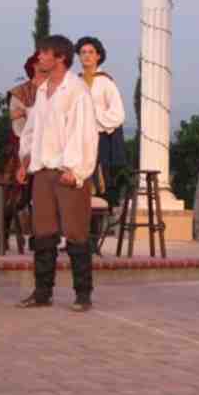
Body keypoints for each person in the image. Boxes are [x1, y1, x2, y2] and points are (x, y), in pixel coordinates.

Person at [16, 35, 99, 312]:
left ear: (60, 57)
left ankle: (83, 295)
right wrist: (25, 160)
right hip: (42, 171)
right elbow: (32, 130)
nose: (39, 57)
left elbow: (85, 134)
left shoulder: (77, 91)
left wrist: (75, 170)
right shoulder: (42, 90)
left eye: (44, 53)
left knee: (76, 233)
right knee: (43, 233)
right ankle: (42, 293)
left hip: (67, 172)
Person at [76, 36, 129, 251]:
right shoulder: (75, 82)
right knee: (77, 189)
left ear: (98, 56)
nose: (86, 56)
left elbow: (118, 114)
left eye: (91, 52)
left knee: (98, 191)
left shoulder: (106, 82)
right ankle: (76, 238)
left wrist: (93, 115)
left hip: (100, 143)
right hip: (78, 143)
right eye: (82, 52)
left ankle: (92, 241)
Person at [1, 52, 48, 243]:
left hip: (48, 148)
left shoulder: (54, 89)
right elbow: (16, 119)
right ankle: (4, 230)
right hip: (22, 146)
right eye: (41, 61)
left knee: (44, 193)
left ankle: (42, 237)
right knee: (17, 194)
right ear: (34, 65)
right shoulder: (20, 92)